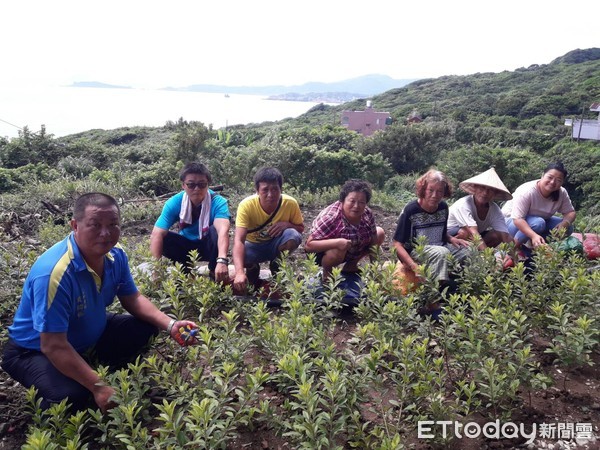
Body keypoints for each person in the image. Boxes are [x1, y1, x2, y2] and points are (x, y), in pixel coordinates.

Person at [1, 193, 197, 413]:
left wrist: (170, 325)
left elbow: (132, 297)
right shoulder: (54, 273)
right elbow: (52, 345)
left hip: (86, 334)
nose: (105, 233)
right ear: (75, 225)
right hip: (34, 351)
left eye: (113, 224)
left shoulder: (116, 254)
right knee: (71, 397)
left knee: (145, 328)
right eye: (95, 225)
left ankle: (89, 368)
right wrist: (99, 387)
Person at [150, 162, 230, 282]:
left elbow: (223, 231)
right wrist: (156, 271)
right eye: (191, 185)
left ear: (208, 185)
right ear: (183, 185)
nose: (197, 189)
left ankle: (215, 272)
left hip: (208, 247)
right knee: (164, 237)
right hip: (186, 248)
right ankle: (185, 272)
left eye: (202, 184)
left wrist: (222, 260)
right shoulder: (174, 203)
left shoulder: (218, 202)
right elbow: (156, 234)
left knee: (216, 231)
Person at [392, 169, 470, 286]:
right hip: (417, 251)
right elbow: (397, 244)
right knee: (441, 252)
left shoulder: (443, 207)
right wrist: (413, 266)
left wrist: (452, 239)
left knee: (468, 251)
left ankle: (463, 286)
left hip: (439, 246)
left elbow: (441, 233)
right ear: (423, 190)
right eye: (431, 190)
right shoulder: (411, 210)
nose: (435, 195)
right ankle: (433, 295)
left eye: (439, 191)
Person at [232, 167, 304, 293]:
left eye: (275, 189)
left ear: (281, 189)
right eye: (265, 190)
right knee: (242, 252)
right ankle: (252, 269)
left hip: (276, 245)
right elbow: (238, 240)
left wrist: (287, 224)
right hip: (253, 246)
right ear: (257, 191)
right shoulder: (246, 205)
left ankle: (277, 263)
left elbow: (300, 229)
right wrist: (239, 272)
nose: (270, 195)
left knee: (293, 235)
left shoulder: (290, 203)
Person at [304, 179, 385, 280]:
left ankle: (351, 265)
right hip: (326, 254)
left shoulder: (367, 213)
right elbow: (309, 245)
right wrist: (337, 242)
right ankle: (327, 273)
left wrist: (375, 268)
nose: (356, 206)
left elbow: (373, 239)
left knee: (379, 232)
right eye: (352, 201)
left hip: (352, 248)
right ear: (343, 200)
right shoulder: (331, 217)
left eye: (361, 202)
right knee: (338, 248)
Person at [502, 161, 576, 250]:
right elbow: (518, 219)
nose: (553, 182)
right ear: (542, 175)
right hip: (511, 223)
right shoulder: (527, 191)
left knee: (568, 228)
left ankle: (537, 248)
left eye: (558, 180)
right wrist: (534, 236)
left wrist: (565, 223)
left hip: (537, 222)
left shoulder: (561, 192)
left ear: (562, 182)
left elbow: (570, 212)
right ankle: (513, 248)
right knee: (539, 223)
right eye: (550, 177)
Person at [448, 167, 514, 263]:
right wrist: (490, 258)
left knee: (496, 235)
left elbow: (504, 235)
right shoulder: (463, 204)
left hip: (473, 238)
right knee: (464, 232)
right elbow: (473, 233)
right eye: (482, 187)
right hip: (451, 236)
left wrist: (515, 255)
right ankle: (465, 258)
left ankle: (479, 255)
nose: (485, 193)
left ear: (494, 193)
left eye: (490, 190)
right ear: (475, 188)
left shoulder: (494, 209)